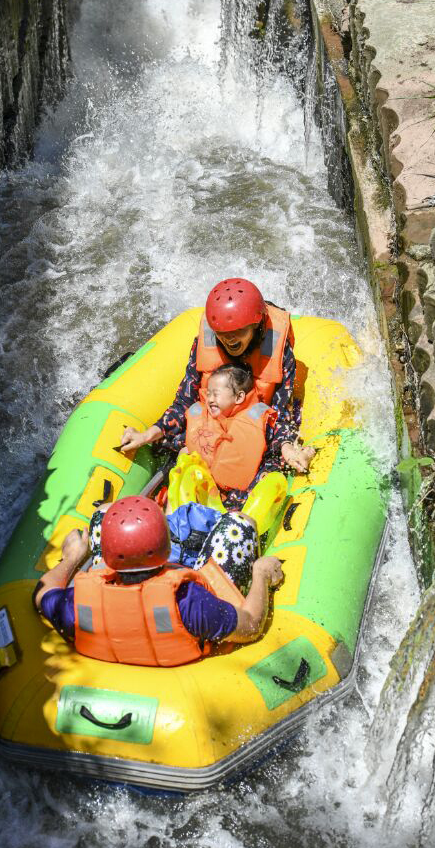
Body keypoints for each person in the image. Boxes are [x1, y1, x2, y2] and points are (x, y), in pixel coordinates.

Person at [34, 495, 283, 665]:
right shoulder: (189, 600)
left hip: (116, 621)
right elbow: (250, 626)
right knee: (239, 524)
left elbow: (41, 595)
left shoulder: (76, 604)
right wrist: (260, 574)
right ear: (165, 548)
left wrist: (72, 557)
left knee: (103, 513)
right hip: (185, 630)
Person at [119, 278, 316, 483]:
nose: (229, 339)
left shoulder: (280, 352)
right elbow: (184, 401)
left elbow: (280, 411)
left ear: (256, 326)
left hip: (255, 429)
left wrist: (286, 447)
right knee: (169, 447)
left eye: (238, 330)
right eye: (223, 332)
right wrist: (147, 435)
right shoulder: (205, 343)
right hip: (212, 424)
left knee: (272, 468)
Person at [184, 362, 308, 502]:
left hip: (242, 495)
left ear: (238, 397)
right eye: (208, 394)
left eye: (215, 394)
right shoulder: (204, 418)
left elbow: (279, 435)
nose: (210, 399)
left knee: (269, 472)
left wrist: (288, 448)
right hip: (206, 492)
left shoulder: (257, 418)